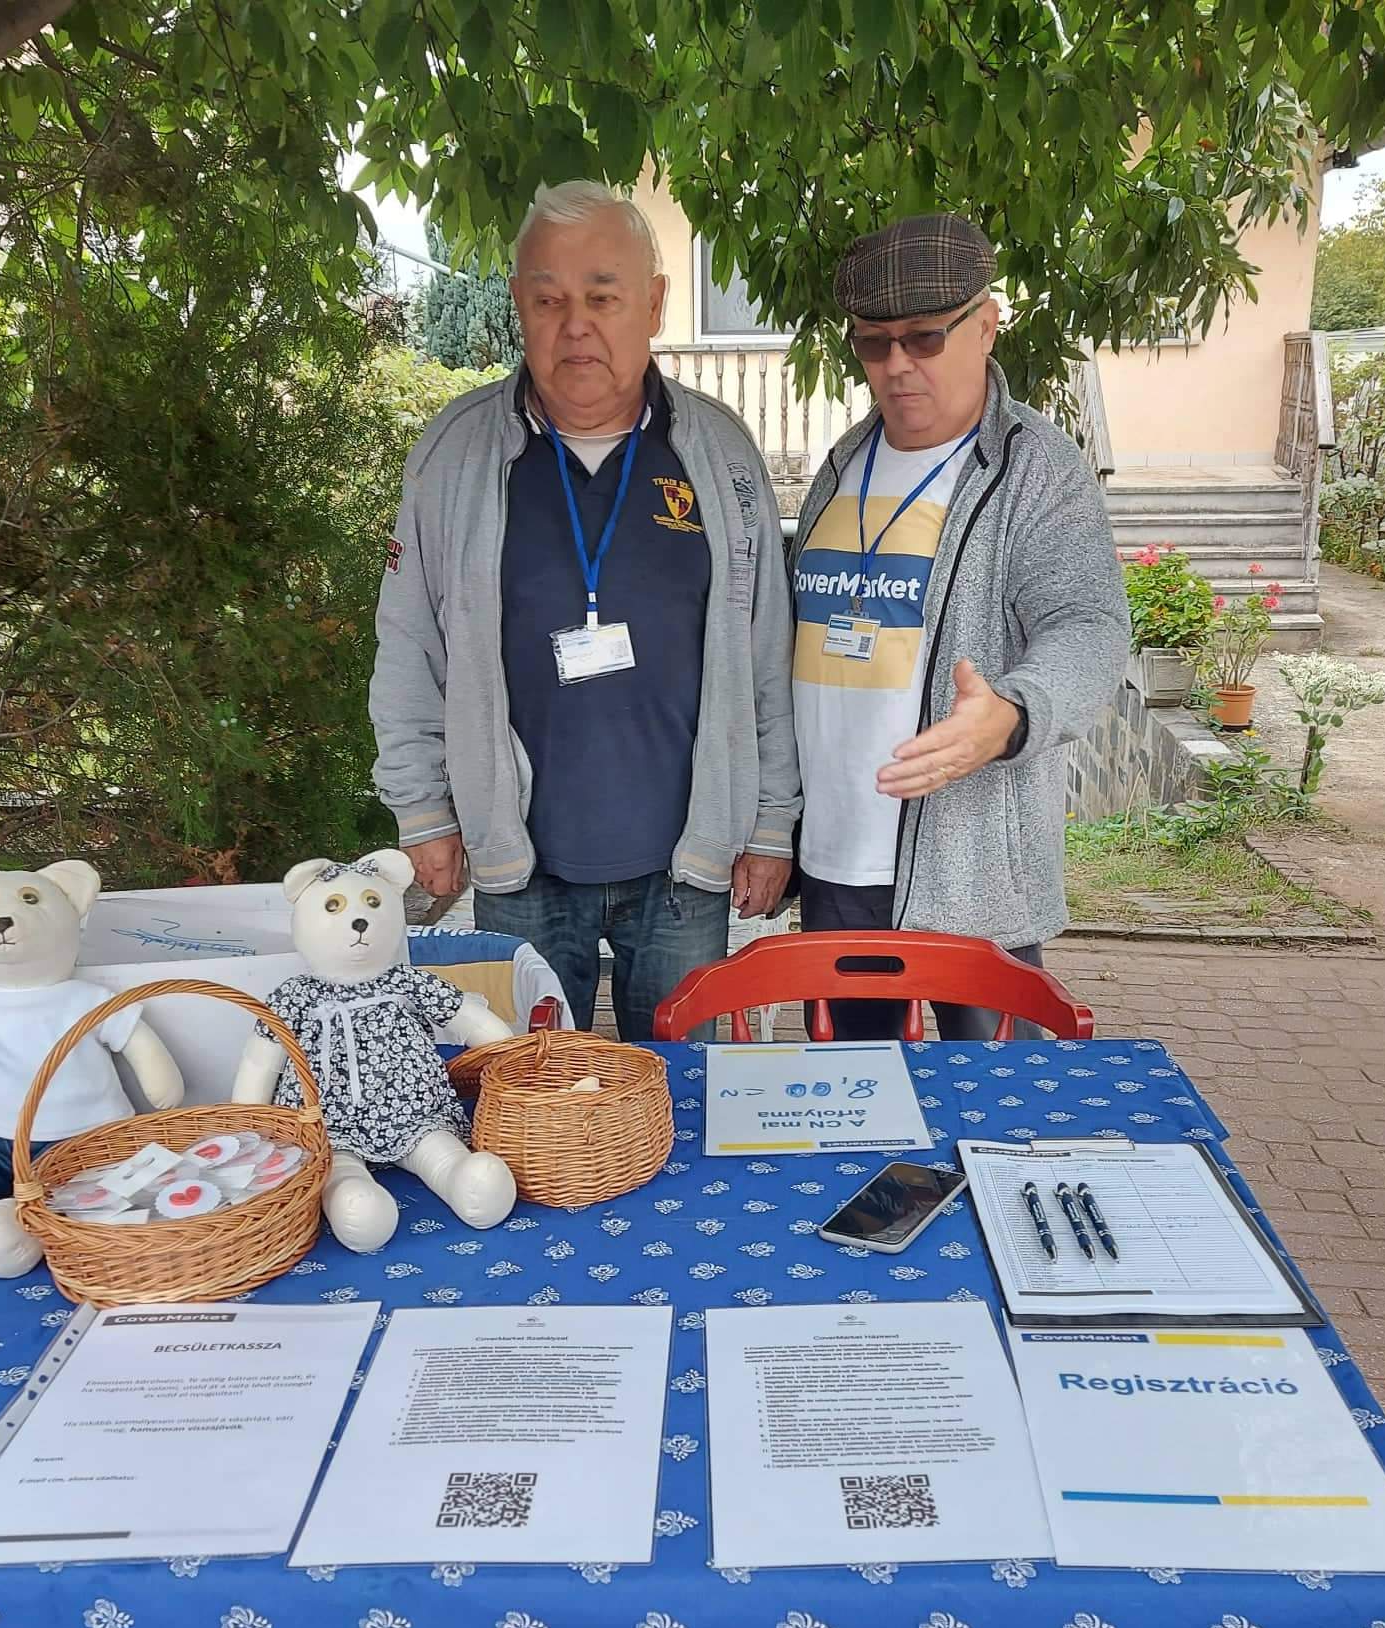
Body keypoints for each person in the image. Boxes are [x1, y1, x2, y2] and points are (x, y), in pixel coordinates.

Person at [370, 181, 798, 1040]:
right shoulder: (455, 455)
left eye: (603, 298)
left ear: (654, 304)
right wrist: (423, 810)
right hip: (521, 869)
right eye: (548, 299)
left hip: (686, 870)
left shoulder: (719, 454)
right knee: (525, 1094)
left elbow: (766, 650)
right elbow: (409, 643)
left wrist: (771, 823)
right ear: (518, 306)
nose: (576, 326)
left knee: (684, 1092)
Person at [790, 213, 1127, 1038]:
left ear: (986, 324)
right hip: (837, 862)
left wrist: (1012, 714)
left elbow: (1088, 625)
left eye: (925, 338)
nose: (897, 365)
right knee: (856, 1103)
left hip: (973, 872)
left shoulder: (1037, 468)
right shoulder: (842, 463)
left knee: (996, 1105)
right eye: (873, 343)